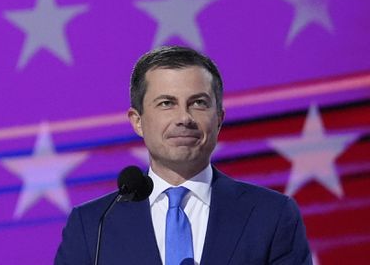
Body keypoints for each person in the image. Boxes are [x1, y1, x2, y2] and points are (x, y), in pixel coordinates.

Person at [54, 45, 312, 265]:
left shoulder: (272, 215)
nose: (184, 118)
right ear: (137, 121)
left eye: (198, 103)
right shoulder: (93, 224)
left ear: (219, 119)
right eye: (167, 103)